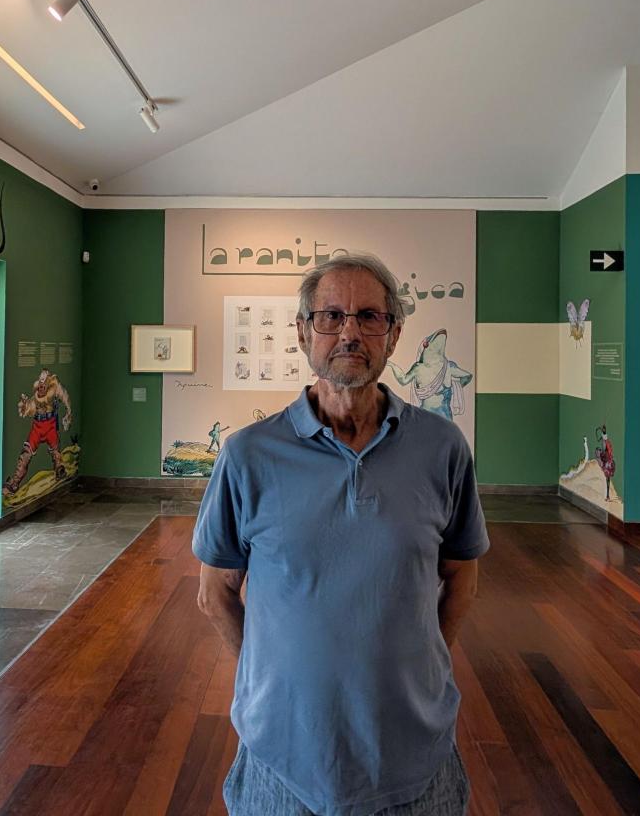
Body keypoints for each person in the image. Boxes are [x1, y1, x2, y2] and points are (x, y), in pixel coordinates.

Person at [194, 252, 487, 816]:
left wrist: (418, 668)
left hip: (412, 754)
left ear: (394, 335)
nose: (349, 332)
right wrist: (275, 679)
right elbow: (215, 592)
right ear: (303, 333)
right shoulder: (248, 455)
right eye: (330, 316)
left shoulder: (442, 448)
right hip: (282, 757)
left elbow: (462, 578)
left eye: (369, 316)